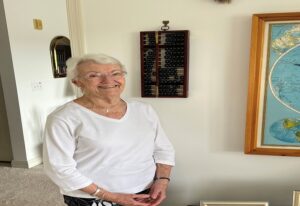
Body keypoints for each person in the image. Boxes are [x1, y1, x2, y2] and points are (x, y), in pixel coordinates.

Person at [43, 53, 175, 206]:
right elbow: (59, 168)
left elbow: (163, 149)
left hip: (145, 191)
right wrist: (111, 197)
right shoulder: (63, 118)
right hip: (93, 196)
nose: (108, 80)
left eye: (115, 73)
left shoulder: (144, 110)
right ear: (77, 82)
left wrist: (162, 181)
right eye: (94, 75)